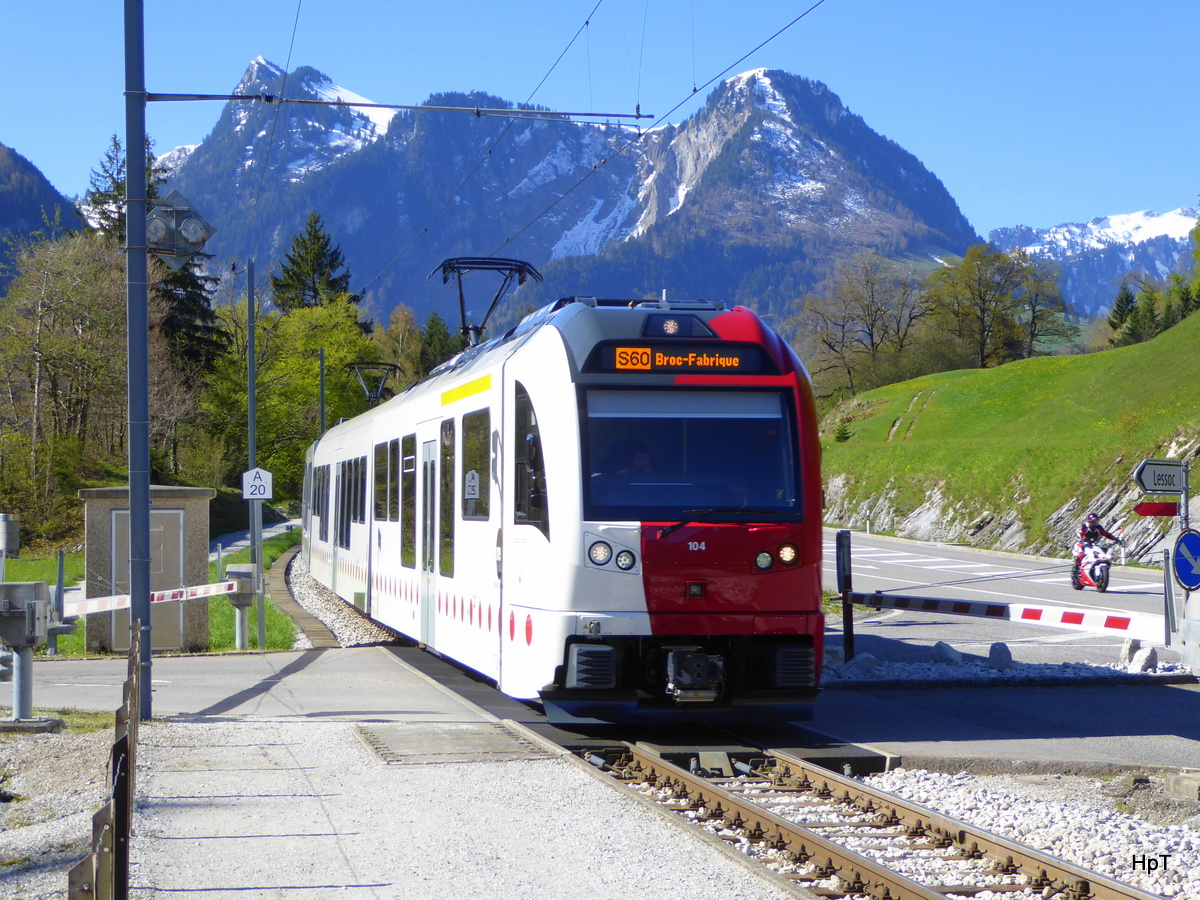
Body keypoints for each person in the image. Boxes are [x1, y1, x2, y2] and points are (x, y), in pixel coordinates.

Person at [1072, 512, 1121, 580]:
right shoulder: (1084, 526)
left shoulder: (1099, 527)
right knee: (1080, 555)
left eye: (1096, 521)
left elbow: (1106, 534)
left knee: (1104, 554)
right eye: (1093, 522)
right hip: (1084, 543)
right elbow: (1079, 533)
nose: (1095, 523)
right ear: (1089, 521)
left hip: (1095, 544)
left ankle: (1102, 570)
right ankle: (1077, 570)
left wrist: (1115, 539)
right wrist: (1083, 539)